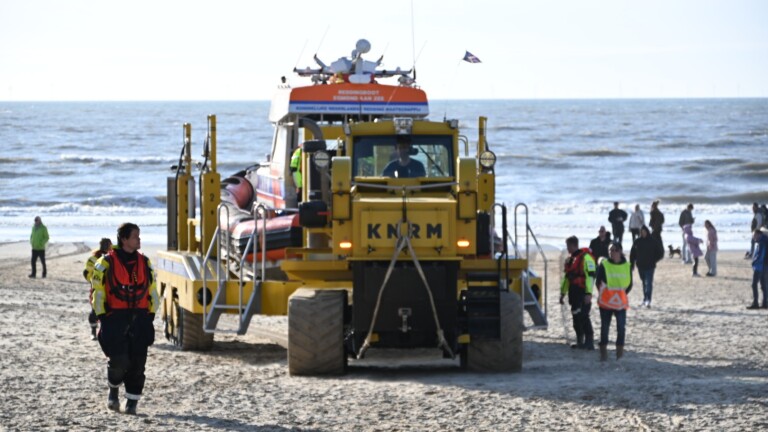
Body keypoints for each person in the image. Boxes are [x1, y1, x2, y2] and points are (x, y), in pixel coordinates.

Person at [91, 223, 158, 414]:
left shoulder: (144, 262)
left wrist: (150, 314)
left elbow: (152, 290)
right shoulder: (105, 263)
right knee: (119, 360)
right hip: (114, 317)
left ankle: (132, 403)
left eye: (139, 236)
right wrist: (103, 316)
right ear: (124, 239)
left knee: (138, 362)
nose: (139, 239)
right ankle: (113, 391)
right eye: (136, 236)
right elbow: (98, 291)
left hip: (141, 318)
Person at [596, 242, 632, 361]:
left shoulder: (627, 265)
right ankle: (603, 353)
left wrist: (620, 294)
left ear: (620, 251)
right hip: (606, 303)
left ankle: (619, 354)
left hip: (620, 303)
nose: (613, 252)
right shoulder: (604, 264)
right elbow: (598, 282)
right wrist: (606, 293)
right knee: (605, 328)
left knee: (621, 328)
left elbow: (629, 284)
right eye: (610, 250)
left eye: (615, 250)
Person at [560, 236, 596, 350]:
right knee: (576, 316)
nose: (567, 248)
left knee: (584, 316)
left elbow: (590, 277)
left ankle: (589, 342)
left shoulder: (586, 258)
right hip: (573, 292)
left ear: (574, 245)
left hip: (583, 292)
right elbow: (567, 278)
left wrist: (588, 293)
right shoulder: (569, 260)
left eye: (568, 246)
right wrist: (562, 293)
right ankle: (580, 340)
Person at [84, 238, 113, 340]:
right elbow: (87, 273)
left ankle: (104, 332)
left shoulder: (113, 257)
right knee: (95, 310)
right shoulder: (94, 258)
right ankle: (93, 331)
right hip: (97, 288)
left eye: (108, 244)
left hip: (111, 288)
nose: (107, 246)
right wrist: (95, 281)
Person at [630, 226, 661, 308]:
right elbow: (632, 254)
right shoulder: (637, 241)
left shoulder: (652, 241)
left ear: (647, 232)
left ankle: (648, 300)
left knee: (649, 283)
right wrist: (632, 264)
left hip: (650, 266)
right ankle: (645, 299)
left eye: (644, 232)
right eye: (642, 232)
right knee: (644, 283)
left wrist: (654, 260)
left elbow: (660, 252)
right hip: (640, 266)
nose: (643, 233)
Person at [747, 227, 768, 309]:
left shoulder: (762, 242)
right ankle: (765, 303)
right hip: (765, 266)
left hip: (760, 266)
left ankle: (755, 302)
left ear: (759, 234)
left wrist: (753, 262)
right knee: (764, 285)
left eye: (754, 235)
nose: (753, 237)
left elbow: (760, 256)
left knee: (754, 284)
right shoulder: (764, 241)